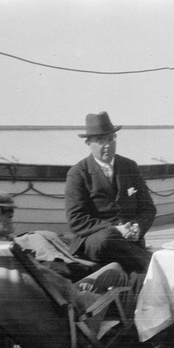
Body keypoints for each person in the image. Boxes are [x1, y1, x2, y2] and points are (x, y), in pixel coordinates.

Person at [0, 189, 174, 348]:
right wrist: (85, 296)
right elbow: (67, 295)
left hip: (35, 328)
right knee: (123, 282)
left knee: (113, 269)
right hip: (70, 325)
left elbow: (49, 286)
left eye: (10, 213)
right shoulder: (12, 254)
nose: (8, 218)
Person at [65, 111, 157, 274]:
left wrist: (137, 228)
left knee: (119, 249)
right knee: (107, 239)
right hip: (96, 240)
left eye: (110, 139)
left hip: (129, 240)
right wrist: (115, 228)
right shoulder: (78, 173)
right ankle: (151, 264)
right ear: (89, 143)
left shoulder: (130, 167)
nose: (107, 145)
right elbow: (76, 219)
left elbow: (148, 208)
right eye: (100, 140)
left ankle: (141, 269)